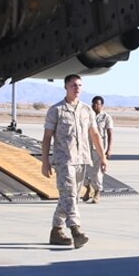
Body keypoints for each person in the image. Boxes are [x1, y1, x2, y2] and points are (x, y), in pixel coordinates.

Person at [40, 74, 106, 248]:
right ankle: (76, 230)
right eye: (73, 85)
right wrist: (45, 161)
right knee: (69, 194)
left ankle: (56, 231)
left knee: (70, 198)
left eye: (79, 85)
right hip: (64, 160)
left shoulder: (87, 110)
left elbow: (95, 134)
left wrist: (103, 156)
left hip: (82, 159)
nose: (77, 89)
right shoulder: (56, 110)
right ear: (66, 87)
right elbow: (47, 137)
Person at [85, 95, 115, 202]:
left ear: (102, 105)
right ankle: (88, 189)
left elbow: (110, 134)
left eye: (97, 104)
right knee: (85, 170)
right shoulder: (87, 116)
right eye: (93, 104)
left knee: (97, 172)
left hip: (99, 148)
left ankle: (97, 192)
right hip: (87, 147)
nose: (95, 106)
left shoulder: (106, 117)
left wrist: (109, 149)